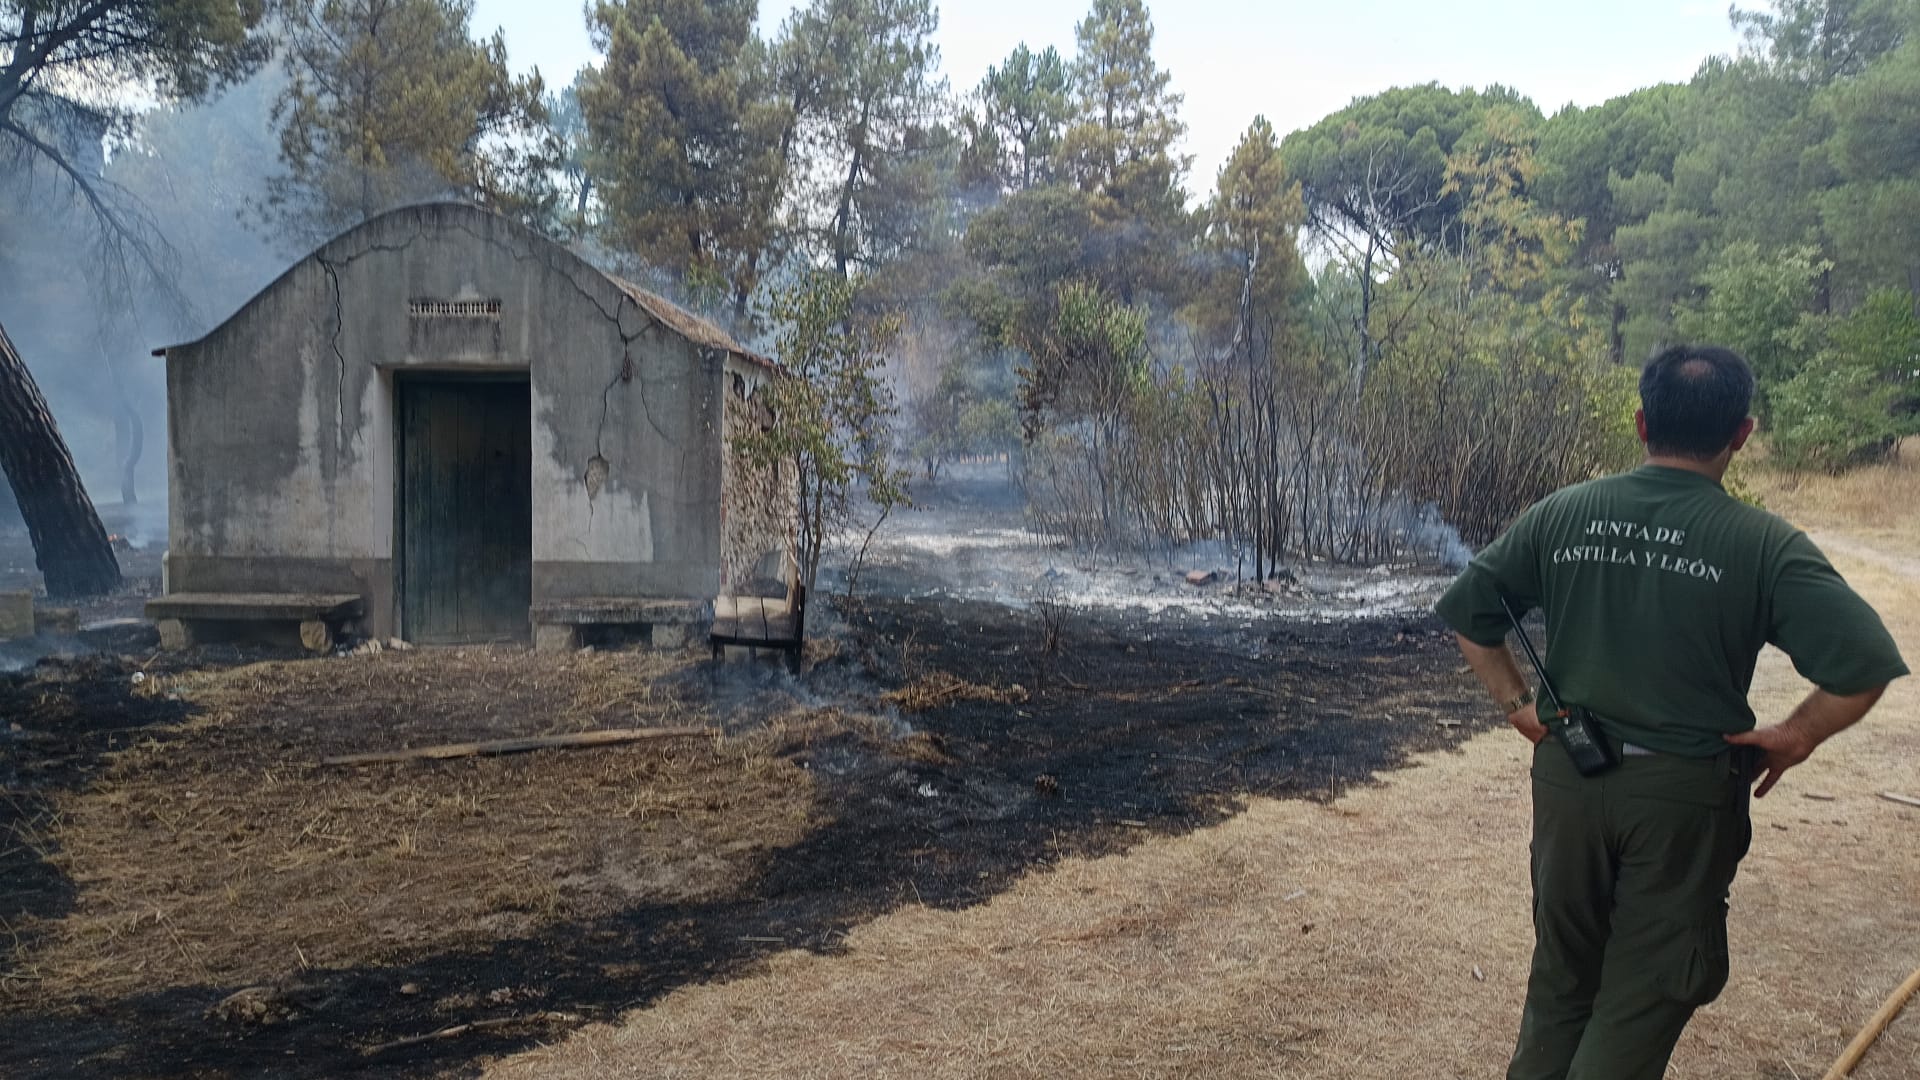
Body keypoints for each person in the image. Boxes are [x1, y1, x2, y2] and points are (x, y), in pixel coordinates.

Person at [1435, 344, 1909, 1080]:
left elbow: (1471, 612)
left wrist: (1517, 704)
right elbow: (1864, 666)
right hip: (1682, 798)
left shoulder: (1567, 511)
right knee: (1645, 990)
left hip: (1570, 779)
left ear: (1641, 421)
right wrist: (1796, 735)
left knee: (1562, 981)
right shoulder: (1762, 543)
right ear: (1742, 434)